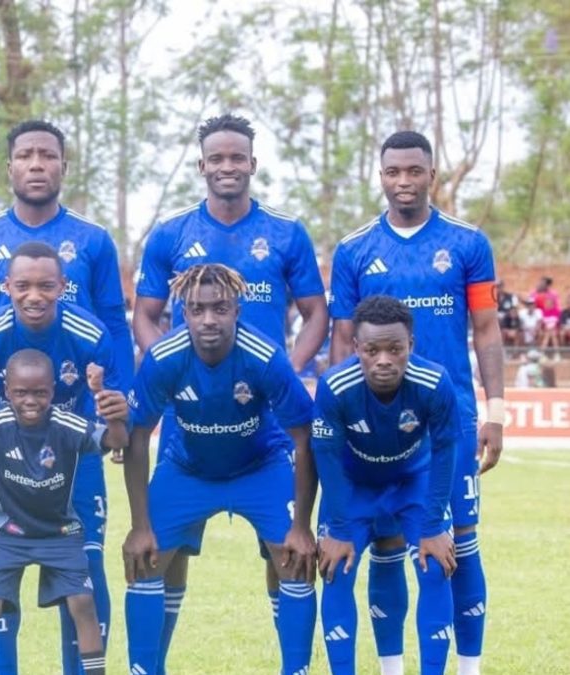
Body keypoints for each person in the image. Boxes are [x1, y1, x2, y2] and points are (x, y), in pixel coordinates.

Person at [132, 113, 327, 662]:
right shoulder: (171, 234)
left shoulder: (286, 233)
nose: (226, 166)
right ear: (201, 166)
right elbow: (145, 315)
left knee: (285, 553)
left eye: (236, 157)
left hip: (265, 426)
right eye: (216, 158)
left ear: (252, 164)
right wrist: (173, 365)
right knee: (163, 556)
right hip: (191, 422)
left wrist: (281, 369)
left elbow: (316, 313)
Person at [0, 119, 131, 674]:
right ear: (9, 167)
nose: (36, 164)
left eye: (47, 155)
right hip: (2, 446)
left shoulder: (93, 240)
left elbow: (114, 330)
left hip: (74, 441)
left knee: (83, 574)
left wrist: (119, 403)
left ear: (63, 166)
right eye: (24, 155)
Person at [329, 130, 503, 675]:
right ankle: (391, 668)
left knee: (459, 544)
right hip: (376, 423)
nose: (403, 182)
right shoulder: (355, 250)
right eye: (392, 172)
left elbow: (488, 330)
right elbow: (341, 342)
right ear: (380, 176)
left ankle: (468, 668)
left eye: (414, 171)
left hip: (448, 418)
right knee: (385, 543)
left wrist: (495, 411)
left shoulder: (468, 243)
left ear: (432, 174)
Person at [121, 263, 317, 675]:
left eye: (220, 308)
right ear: (183, 313)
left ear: (237, 310)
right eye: (197, 309)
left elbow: (304, 435)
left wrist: (301, 525)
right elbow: (137, 438)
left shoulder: (264, 357)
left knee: (294, 557)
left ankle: (296, 670)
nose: (208, 319)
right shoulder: (163, 358)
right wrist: (140, 525)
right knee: (146, 556)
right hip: (188, 468)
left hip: (260, 464)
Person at [0, 349, 128, 675]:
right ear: (7, 392)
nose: (30, 401)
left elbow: (116, 440)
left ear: (52, 390)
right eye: (21, 392)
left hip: (60, 533)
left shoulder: (69, 425)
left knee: (83, 604)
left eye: (40, 392)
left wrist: (108, 405)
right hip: (6, 533)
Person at [314, 295, 459, 675]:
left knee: (435, 567)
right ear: (356, 348)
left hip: (412, 482)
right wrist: (339, 529)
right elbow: (325, 458)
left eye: (395, 349)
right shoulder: (334, 386)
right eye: (372, 350)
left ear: (410, 345)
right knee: (336, 570)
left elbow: (446, 452)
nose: (383, 360)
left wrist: (432, 527)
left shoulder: (434, 382)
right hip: (352, 487)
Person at [532, 277, 561, 351]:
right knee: (540, 332)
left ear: (547, 285)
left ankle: (546, 352)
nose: (540, 284)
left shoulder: (553, 294)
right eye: (540, 282)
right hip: (540, 319)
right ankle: (538, 351)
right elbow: (530, 304)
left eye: (543, 283)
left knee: (550, 332)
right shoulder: (534, 293)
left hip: (550, 320)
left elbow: (557, 311)